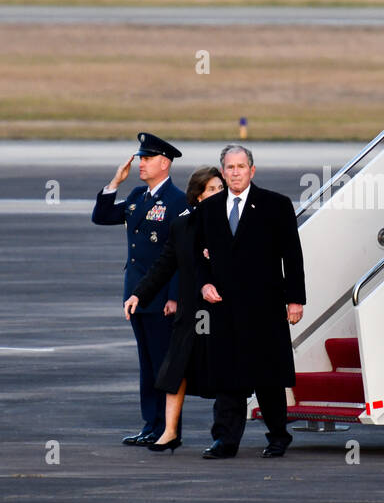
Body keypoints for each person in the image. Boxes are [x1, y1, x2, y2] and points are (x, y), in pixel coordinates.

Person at [195, 145, 306, 460]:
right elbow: (197, 255)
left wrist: (295, 300)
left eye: (241, 166)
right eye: (229, 167)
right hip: (224, 308)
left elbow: (292, 257)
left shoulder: (276, 205)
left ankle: (278, 436)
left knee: (268, 376)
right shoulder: (209, 209)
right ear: (223, 172)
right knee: (227, 378)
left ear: (252, 170)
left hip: (265, 307)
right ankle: (225, 441)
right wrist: (204, 284)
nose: (235, 172)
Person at [91, 132, 187, 446]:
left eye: (146, 159)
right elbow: (102, 216)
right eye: (140, 158)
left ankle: (166, 427)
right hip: (136, 293)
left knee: (163, 362)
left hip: (161, 298)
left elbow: (179, 254)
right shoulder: (136, 196)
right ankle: (151, 424)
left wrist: (173, 296)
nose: (140, 164)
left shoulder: (177, 201)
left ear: (164, 162)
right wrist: (114, 183)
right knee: (146, 363)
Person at [124, 166, 225, 452]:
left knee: (222, 371)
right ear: (198, 196)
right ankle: (169, 432)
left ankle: (223, 436)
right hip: (191, 307)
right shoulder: (183, 226)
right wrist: (139, 295)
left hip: (223, 308)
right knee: (174, 367)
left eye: (221, 189)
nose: (217, 194)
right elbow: (165, 264)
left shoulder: (233, 224)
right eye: (211, 190)